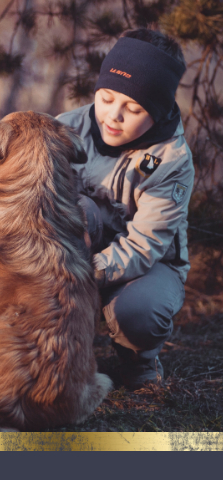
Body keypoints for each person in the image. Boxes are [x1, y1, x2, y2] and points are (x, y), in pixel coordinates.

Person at [57, 28, 194, 390]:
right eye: (105, 97)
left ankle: (139, 363)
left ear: (159, 110)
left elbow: (144, 246)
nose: (113, 116)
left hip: (146, 266)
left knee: (139, 312)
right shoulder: (65, 129)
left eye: (133, 108)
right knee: (81, 208)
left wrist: (79, 275)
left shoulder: (171, 161)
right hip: (74, 250)